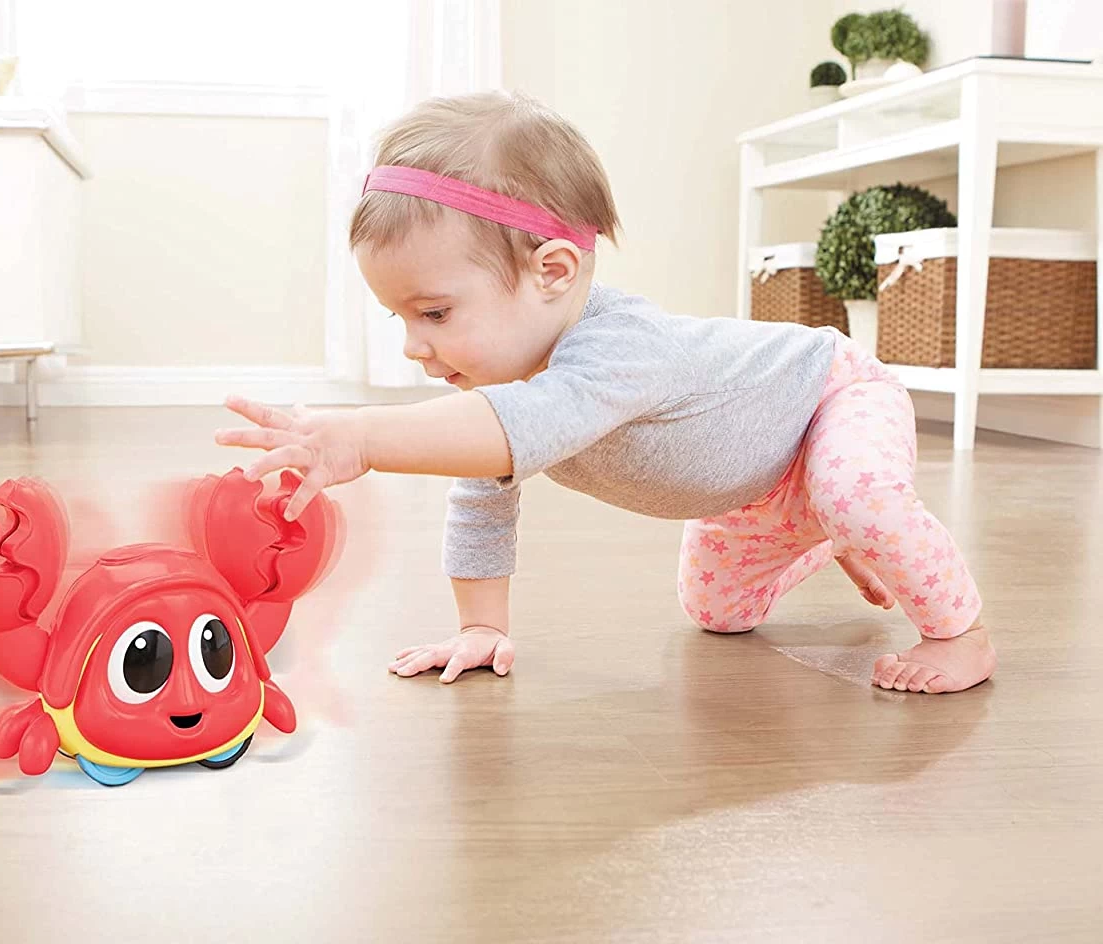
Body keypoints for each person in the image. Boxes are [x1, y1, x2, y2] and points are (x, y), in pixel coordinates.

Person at [213, 91, 996, 695]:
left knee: (856, 495)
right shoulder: (504, 388)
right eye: (401, 318)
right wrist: (482, 628)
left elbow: (518, 425)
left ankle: (959, 632)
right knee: (719, 614)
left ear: (552, 271)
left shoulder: (618, 349)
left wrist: (361, 438)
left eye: (436, 314)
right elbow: (482, 499)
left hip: (829, 397)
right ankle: (836, 530)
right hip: (753, 483)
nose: (415, 345)